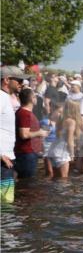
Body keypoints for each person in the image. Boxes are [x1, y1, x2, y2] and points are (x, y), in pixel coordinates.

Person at [1, 67, 27, 202]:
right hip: (3, 160)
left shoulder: (6, 98)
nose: (21, 84)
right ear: (6, 80)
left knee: (7, 202)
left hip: (7, 159)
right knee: (5, 203)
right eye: (19, 80)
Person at [14, 87, 45, 180]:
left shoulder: (24, 112)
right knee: (27, 183)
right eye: (35, 97)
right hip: (26, 154)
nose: (36, 99)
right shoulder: (24, 113)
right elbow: (24, 134)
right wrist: (40, 132)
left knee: (26, 182)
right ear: (32, 99)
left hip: (28, 153)